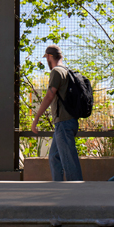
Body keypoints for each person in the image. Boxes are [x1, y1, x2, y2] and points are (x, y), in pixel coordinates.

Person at [31, 45, 83, 181]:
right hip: (66, 122)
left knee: (69, 161)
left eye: (46, 58)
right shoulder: (67, 71)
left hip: (64, 123)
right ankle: (58, 186)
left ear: (49, 57)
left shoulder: (56, 72)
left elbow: (49, 96)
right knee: (54, 156)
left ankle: (76, 193)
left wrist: (36, 118)